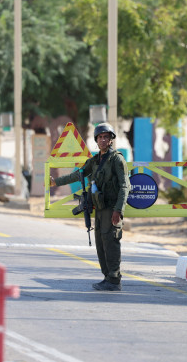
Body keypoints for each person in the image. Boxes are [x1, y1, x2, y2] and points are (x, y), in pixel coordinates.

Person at [50, 123, 130, 291]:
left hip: (111, 208)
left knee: (111, 242)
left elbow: (124, 186)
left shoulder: (117, 159)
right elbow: (77, 174)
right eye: (100, 137)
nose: (103, 140)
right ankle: (107, 277)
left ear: (110, 140)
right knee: (100, 243)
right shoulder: (94, 161)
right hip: (99, 208)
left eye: (106, 137)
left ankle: (114, 279)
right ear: (96, 140)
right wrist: (55, 182)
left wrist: (118, 210)